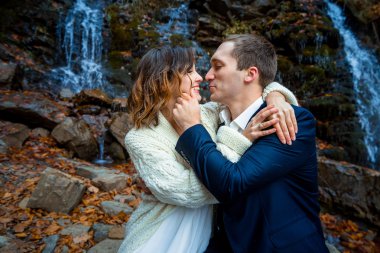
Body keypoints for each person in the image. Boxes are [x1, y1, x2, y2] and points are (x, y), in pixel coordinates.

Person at [117, 45, 298, 253]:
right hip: (159, 237)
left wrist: (276, 94)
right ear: (164, 80)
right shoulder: (141, 138)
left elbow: (248, 91)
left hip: (205, 239)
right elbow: (185, 191)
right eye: (189, 71)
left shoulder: (208, 114)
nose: (200, 77)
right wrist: (240, 140)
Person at [173, 34, 330, 253]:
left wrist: (191, 128)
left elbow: (232, 182)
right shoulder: (216, 121)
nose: (207, 75)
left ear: (250, 73)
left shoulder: (289, 120)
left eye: (217, 67)